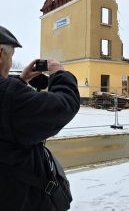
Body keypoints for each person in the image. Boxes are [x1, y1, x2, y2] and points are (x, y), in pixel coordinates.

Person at [0, 25, 80, 211]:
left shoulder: (9, 98)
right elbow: (64, 106)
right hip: (19, 199)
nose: (11, 63)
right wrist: (60, 74)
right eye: (11, 56)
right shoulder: (10, 98)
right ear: (0, 53)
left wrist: (21, 81)